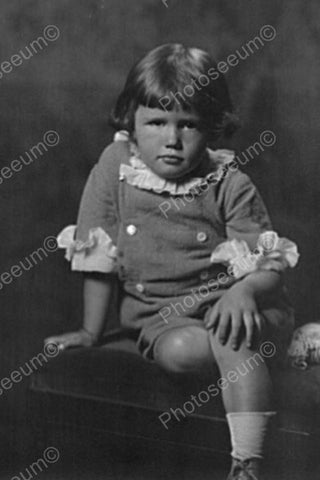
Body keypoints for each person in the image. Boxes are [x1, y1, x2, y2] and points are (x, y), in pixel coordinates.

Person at [45, 44, 299, 480]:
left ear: (213, 127)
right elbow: (97, 254)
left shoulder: (230, 182)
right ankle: (284, 347)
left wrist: (243, 290)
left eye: (189, 125)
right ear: (132, 121)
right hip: (162, 317)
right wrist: (91, 332)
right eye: (157, 122)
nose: (172, 139)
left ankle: (247, 463)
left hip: (233, 302)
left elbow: (268, 263)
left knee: (230, 335)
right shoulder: (114, 168)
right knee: (182, 351)